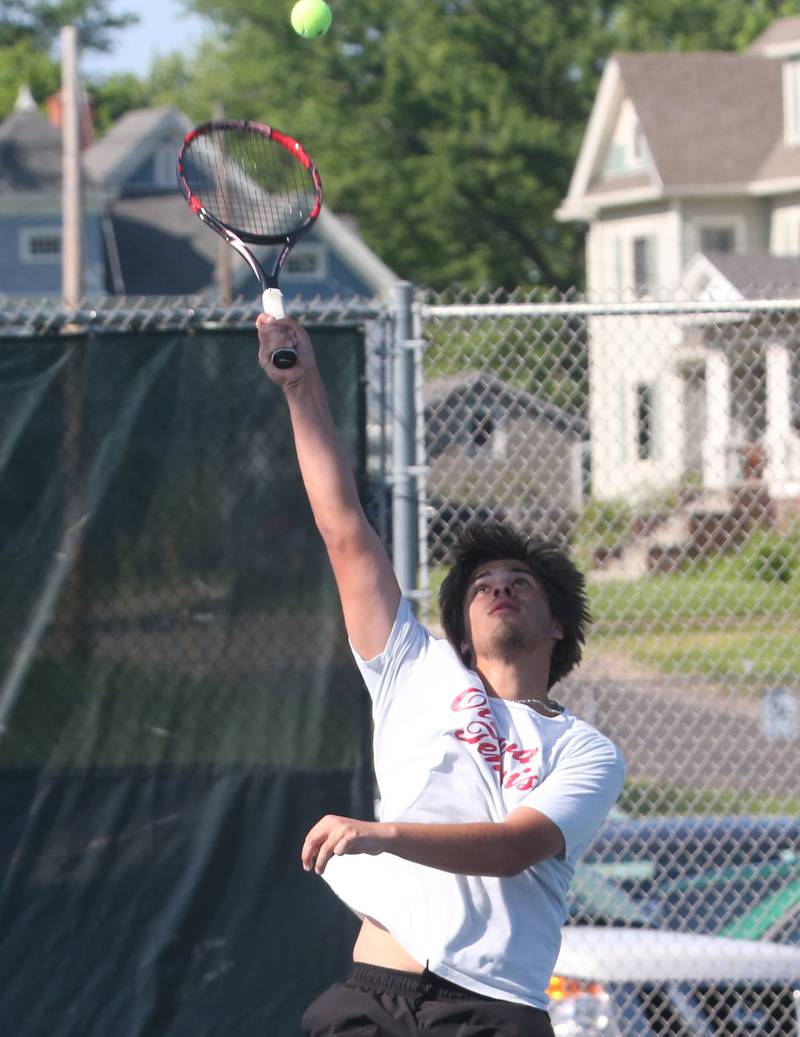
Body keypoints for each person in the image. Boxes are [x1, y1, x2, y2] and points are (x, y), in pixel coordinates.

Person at [257, 314, 626, 1037]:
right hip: (374, 990)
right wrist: (300, 386)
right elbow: (344, 529)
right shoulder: (415, 666)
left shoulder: (587, 750)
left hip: (490, 1007)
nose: (500, 587)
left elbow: (515, 845)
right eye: (483, 582)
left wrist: (382, 833)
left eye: (521, 580)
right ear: (459, 625)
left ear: (558, 625)